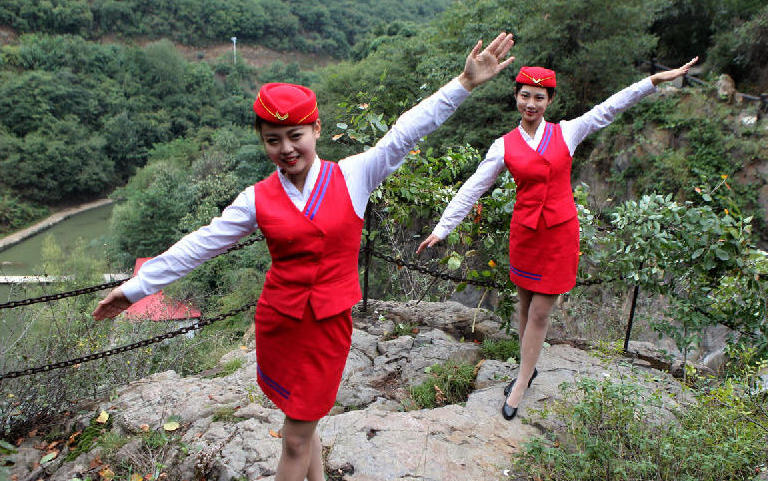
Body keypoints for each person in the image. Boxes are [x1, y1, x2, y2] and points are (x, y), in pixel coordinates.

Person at [92, 32, 516, 481]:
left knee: (296, 435)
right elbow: (203, 243)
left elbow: (407, 130)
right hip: (279, 322)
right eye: (273, 140)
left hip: (327, 325)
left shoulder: (354, 175)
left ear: (315, 129)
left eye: (295, 135)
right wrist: (137, 289)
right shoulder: (256, 198)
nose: (286, 149)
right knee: (300, 423)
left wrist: (464, 84)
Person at [416, 57, 698, 421]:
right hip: (525, 237)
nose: (530, 104)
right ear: (516, 97)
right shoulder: (503, 146)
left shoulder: (568, 132)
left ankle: (521, 381)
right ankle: (527, 366)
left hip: (559, 236)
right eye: (524, 96)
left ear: (549, 101)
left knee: (540, 313)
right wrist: (442, 228)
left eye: (538, 97)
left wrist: (655, 80)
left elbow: (611, 106)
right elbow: (472, 189)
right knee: (523, 306)